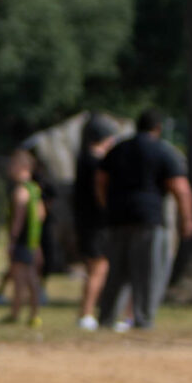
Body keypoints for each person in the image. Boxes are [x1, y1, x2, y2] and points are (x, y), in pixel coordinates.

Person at [94, 109, 192, 332]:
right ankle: (143, 319)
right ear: (157, 128)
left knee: (117, 271)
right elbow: (180, 188)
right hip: (148, 218)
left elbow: (100, 179)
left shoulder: (118, 149)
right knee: (148, 272)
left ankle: (107, 318)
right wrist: (187, 219)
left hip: (117, 218)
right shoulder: (163, 151)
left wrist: (106, 205)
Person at [72, 118, 117, 330]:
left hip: (85, 222)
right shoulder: (94, 162)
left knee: (94, 269)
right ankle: (87, 313)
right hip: (95, 224)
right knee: (99, 268)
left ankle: (86, 312)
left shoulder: (83, 159)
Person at [2, 148, 46, 326]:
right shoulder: (34, 189)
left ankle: (15, 313)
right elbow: (41, 215)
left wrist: (12, 240)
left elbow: (18, 219)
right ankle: (34, 314)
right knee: (31, 278)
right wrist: (36, 240)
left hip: (21, 241)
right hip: (32, 240)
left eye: (12, 165)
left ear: (22, 166)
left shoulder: (21, 191)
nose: (10, 168)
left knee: (20, 279)